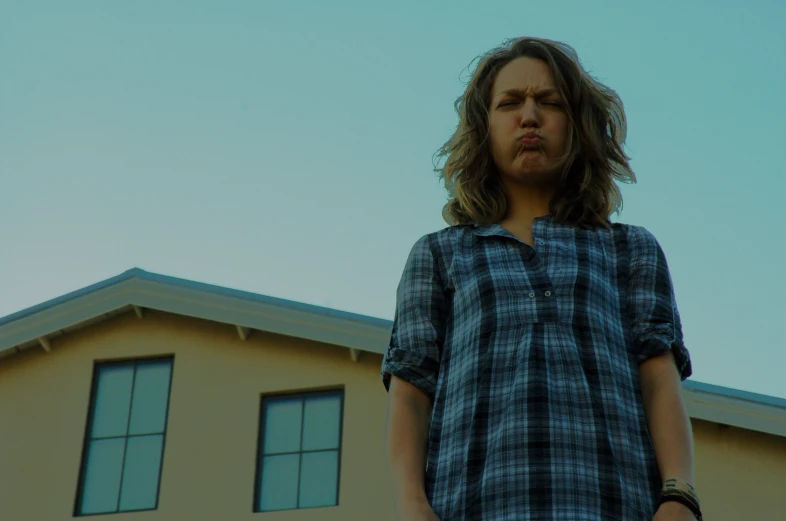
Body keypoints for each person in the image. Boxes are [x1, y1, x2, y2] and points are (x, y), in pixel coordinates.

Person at [381, 37, 702, 521]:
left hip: (613, 505)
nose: (529, 116)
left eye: (549, 102)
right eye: (509, 103)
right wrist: (411, 503)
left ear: (577, 126)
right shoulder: (440, 254)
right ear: (483, 128)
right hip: (472, 507)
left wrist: (679, 495)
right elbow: (410, 392)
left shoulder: (630, 248)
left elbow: (659, 379)